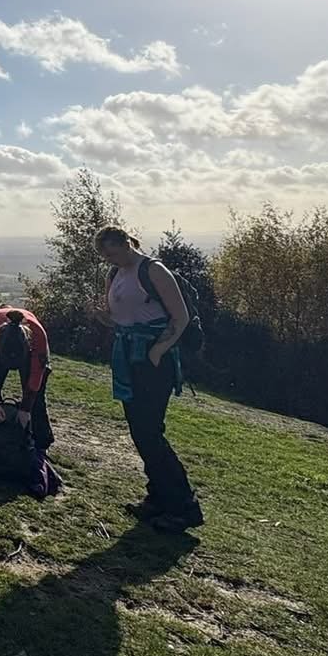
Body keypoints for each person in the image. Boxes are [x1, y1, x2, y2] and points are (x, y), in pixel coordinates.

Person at [98, 226, 203, 531]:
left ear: (126, 244)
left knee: (149, 433)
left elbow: (180, 317)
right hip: (127, 356)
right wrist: (103, 318)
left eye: (112, 253)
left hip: (155, 360)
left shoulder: (153, 270)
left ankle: (184, 507)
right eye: (105, 256)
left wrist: (157, 352)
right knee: (140, 431)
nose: (110, 260)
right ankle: (157, 498)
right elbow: (121, 317)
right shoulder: (114, 273)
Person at [0, 306, 60, 498]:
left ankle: (39, 446)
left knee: (37, 401)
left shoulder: (37, 339)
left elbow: (35, 381)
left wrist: (25, 409)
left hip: (32, 350)